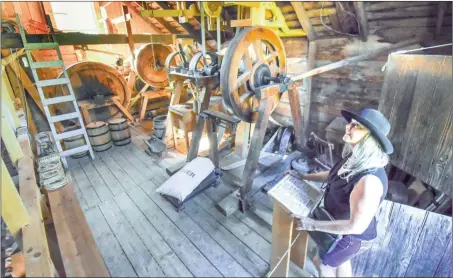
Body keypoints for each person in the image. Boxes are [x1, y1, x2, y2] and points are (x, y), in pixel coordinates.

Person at [286, 109, 393, 277]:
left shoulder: (369, 182)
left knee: (322, 264)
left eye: (356, 126)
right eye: (350, 123)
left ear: (371, 139)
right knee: (342, 261)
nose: (347, 127)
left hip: (352, 237)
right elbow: (333, 174)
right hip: (339, 224)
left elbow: (355, 227)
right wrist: (303, 176)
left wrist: (311, 224)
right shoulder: (355, 157)